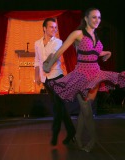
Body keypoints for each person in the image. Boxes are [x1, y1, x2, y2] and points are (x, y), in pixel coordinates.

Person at [43, 8, 125, 152]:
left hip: (96, 75)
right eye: (94, 17)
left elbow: (95, 53)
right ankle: (93, 139)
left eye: (99, 17)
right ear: (86, 19)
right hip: (81, 75)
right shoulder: (77, 34)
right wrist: (49, 64)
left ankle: (78, 137)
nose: (97, 20)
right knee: (86, 109)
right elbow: (61, 50)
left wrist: (107, 52)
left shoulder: (95, 36)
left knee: (86, 110)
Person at [34, 18, 76, 146]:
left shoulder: (58, 42)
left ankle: (55, 133)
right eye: (51, 27)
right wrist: (37, 76)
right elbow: (37, 61)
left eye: (55, 27)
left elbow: (51, 57)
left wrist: (45, 66)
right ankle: (71, 131)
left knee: (57, 107)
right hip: (46, 79)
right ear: (44, 28)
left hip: (57, 77)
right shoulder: (37, 43)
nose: (54, 29)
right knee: (60, 107)